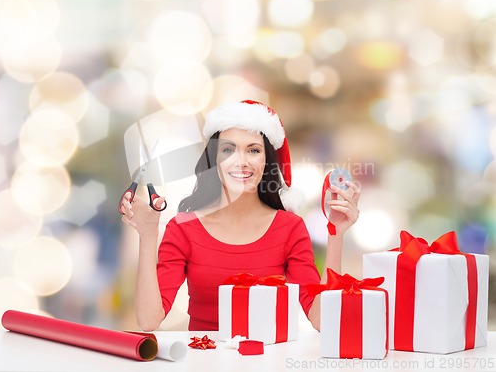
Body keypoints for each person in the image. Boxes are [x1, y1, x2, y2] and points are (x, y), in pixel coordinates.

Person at [120, 100, 360, 332]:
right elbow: (149, 320)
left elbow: (322, 320)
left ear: (267, 161)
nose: (241, 162)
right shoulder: (183, 228)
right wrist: (148, 234)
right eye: (228, 150)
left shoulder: (290, 228)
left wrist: (335, 235)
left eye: (253, 150)